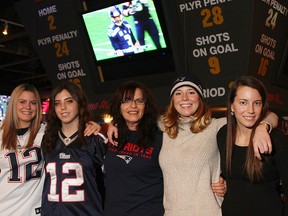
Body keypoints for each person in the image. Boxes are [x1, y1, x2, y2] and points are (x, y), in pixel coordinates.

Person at [108, 75, 277, 215]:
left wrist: (263, 126)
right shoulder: (162, 126)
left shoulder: (216, 126)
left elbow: (268, 114)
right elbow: (133, 116)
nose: (185, 98)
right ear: (172, 100)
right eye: (178, 93)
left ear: (200, 97)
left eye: (191, 92)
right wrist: (114, 123)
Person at [0, 83, 100, 216]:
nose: (27, 107)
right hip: (4, 208)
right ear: (12, 104)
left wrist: (93, 125)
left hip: (33, 211)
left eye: (33, 102)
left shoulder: (45, 133)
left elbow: (70, 126)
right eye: (22, 102)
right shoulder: (1, 133)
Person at [217, 76, 288, 216]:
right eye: (243, 102)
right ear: (232, 105)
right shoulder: (223, 134)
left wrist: (263, 127)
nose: (250, 110)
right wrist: (221, 180)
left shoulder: (275, 139)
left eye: (257, 103)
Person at [41, 82, 107, 216]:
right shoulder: (48, 139)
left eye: (69, 101)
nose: (63, 107)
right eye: (57, 103)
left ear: (80, 104)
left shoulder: (96, 139)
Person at [103, 80, 164, 215]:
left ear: (146, 105)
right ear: (119, 106)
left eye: (139, 101)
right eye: (127, 101)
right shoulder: (110, 136)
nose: (133, 106)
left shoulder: (160, 139)